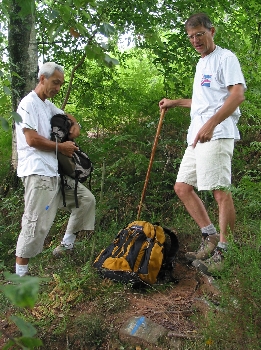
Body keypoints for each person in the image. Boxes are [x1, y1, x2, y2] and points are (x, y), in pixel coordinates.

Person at [159, 13, 246, 275]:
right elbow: (204, 102)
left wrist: (211, 124)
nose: (196, 40)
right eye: (191, 36)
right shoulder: (201, 64)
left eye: (200, 34)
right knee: (182, 187)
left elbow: (237, 95)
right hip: (196, 136)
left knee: (220, 192)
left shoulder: (225, 58)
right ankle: (209, 236)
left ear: (212, 31)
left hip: (217, 134)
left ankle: (225, 250)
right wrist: (175, 102)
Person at [15, 62, 96, 277]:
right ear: (42, 79)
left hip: (54, 172)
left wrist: (76, 125)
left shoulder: (46, 104)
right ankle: (20, 274)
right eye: (55, 83)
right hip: (37, 172)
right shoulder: (28, 104)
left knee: (85, 200)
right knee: (35, 221)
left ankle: (66, 247)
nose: (58, 88)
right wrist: (63, 146)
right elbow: (31, 140)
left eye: (61, 84)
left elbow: (67, 116)